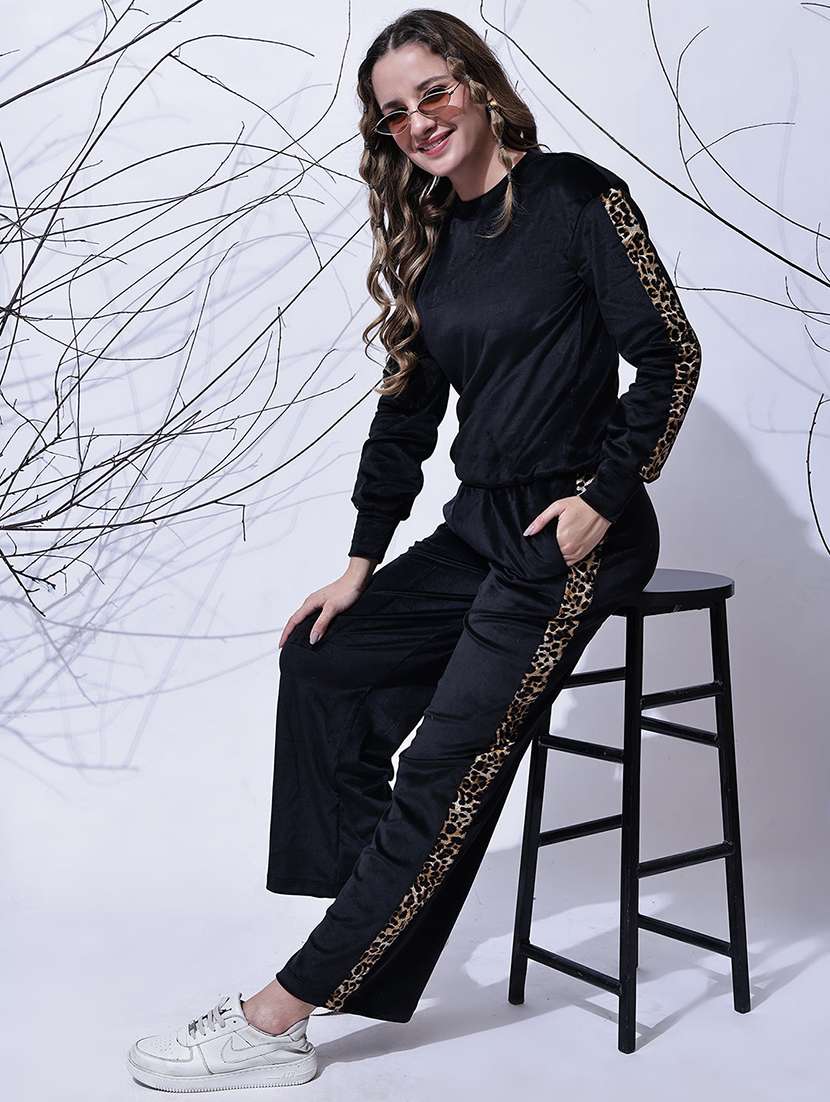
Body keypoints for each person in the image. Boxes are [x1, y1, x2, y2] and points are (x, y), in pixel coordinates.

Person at [127, 9, 702, 1091]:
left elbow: (669, 353)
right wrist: (359, 561)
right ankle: (382, 914)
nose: (419, 121)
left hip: (572, 530)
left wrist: (603, 494)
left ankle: (280, 1017)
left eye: (433, 91)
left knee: (444, 765)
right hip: (477, 520)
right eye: (394, 113)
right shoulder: (433, 236)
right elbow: (406, 414)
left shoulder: (578, 197)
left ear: (477, 84)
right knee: (324, 661)